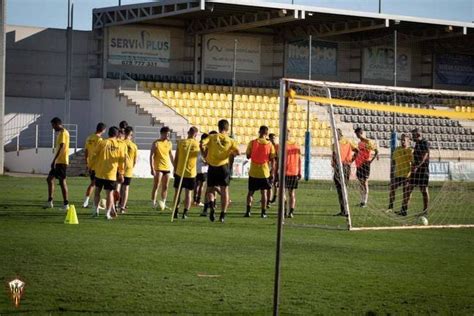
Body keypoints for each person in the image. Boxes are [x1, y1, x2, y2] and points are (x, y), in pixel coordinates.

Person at [201, 120, 239, 223]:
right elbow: (237, 152)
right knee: (224, 190)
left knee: (210, 190)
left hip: (213, 167)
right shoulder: (230, 140)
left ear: (218, 127)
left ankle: (212, 206)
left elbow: (203, 144)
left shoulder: (212, 137)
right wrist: (231, 152)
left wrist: (204, 151)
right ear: (227, 128)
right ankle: (222, 215)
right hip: (224, 167)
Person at [93, 126, 126, 219]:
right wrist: (121, 173)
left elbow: (94, 154)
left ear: (108, 133)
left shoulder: (102, 143)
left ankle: (95, 211)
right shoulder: (119, 145)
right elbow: (121, 161)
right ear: (116, 134)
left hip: (99, 172)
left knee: (97, 192)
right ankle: (107, 214)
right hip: (111, 173)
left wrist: (92, 166)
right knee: (109, 194)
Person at [244, 126, 276, 218]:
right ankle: (263, 213)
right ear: (266, 133)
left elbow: (247, 156)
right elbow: (272, 159)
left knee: (250, 192)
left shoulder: (252, 142)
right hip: (264, 172)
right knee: (264, 193)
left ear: (259, 132)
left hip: (253, 171)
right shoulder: (270, 144)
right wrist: (272, 171)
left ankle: (248, 211)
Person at [399, 129, 430, 216]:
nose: (412, 137)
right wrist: (413, 165)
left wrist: (417, 166)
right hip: (415, 170)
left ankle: (425, 211)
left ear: (418, 134)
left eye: (413, 135)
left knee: (424, 190)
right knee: (409, 189)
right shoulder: (417, 144)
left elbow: (425, 156)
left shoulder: (424, 143)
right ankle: (403, 210)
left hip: (423, 170)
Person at [172, 127, 200, 219]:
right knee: (188, 193)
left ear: (188, 133)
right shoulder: (197, 144)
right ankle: (185, 213)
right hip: (191, 173)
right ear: (195, 135)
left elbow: (176, 158)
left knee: (177, 192)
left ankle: (176, 211)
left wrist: (175, 169)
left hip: (180, 171)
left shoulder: (181, 143)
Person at [44, 117, 70, 210]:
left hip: (61, 161)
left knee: (62, 181)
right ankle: (50, 201)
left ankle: (66, 204)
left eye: (53, 125)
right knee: (49, 179)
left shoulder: (63, 133)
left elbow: (62, 147)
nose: (53, 128)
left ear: (57, 124)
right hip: (59, 161)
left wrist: (55, 160)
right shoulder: (61, 133)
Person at [332, 129, 358, 216]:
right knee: (341, 188)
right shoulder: (338, 143)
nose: (334, 136)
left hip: (344, 166)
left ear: (339, 134)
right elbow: (334, 156)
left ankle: (345, 210)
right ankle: (343, 210)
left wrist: (351, 160)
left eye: (335, 134)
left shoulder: (345, 142)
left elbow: (357, 151)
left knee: (342, 188)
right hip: (341, 167)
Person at [83, 122, 106, 208]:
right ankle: (90, 203)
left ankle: (88, 201)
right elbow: (99, 153)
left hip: (90, 164)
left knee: (94, 184)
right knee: (95, 184)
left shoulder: (89, 138)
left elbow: (86, 151)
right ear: (103, 130)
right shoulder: (99, 140)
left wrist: (87, 162)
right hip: (97, 165)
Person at [387, 134, 413, 212]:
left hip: (407, 175)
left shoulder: (410, 151)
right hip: (397, 174)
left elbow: (413, 163)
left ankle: (404, 209)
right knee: (392, 189)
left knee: (405, 193)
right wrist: (391, 173)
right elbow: (393, 162)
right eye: (401, 140)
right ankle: (390, 207)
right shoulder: (397, 150)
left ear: (408, 142)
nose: (402, 141)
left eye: (404, 140)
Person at [150, 126, 174, 211]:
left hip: (167, 168)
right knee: (156, 185)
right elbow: (152, 156)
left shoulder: (169, 143)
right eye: (167, 134)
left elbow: (171, 155)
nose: (168, 136)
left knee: (165, 186)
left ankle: (163, 202)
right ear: (162, 133)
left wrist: (174, 165)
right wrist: (152, 168)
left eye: (169, 134)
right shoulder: (156, 143)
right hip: (158, 168)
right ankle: (153, 203)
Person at [354, 127, 379, 208]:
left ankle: (365, 201)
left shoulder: (368, 142)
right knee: (361, 183)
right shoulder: (359, 143)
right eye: (356, 134)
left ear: (361, 133)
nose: (357, 135)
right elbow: (359, 153)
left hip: (365, 164)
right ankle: (362, 201)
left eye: (357, 134)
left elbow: (376, 151)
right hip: (359, 164)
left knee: (365, 182)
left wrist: (370, 161)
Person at [283, 129, 301, 218]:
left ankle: (285, 211)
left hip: (284, 172)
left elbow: (278, 159)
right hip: (293, 171)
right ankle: (290, 212)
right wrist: (299, 171)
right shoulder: (296, 145)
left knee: (284, 193)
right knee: (291, 193)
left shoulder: (281, 145)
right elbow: (299, 159)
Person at [119, 126, 138, 213]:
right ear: (131, 134)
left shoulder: (120, 143)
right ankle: (122, 207)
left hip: (119, 167)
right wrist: (131, 166)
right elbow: (135, 160)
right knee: (125, 188)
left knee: (118, 187)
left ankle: (115, 205)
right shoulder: (133, 145)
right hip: (128, 168)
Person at [194, 133, 209, 207]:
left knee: (196, 184)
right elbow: (203, 157)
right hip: (203, 168)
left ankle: (194, 200)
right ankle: (198, 200)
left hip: (196, 167)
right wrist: (206, 161)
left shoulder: (197, 144)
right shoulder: (204, 146)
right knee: (201, 185)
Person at [267, 133, 278, 206]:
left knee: (275, 183)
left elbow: (278, 157)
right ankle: (269, 199)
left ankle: (274, 197)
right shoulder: (268, 146)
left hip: (276, 167)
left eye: (274, 138)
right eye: (272, 138)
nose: (273, 139)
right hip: (268, 167)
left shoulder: (277, 146)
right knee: (269, 183)